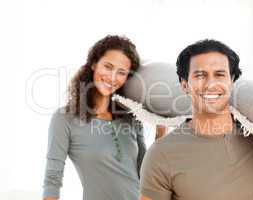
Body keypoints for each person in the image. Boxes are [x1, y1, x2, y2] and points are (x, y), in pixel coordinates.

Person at [139, 39, 253, 200]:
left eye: (219, 74)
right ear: (184, 84)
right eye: (200, 75)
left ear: (232, 81)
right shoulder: (162, 154)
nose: (211, 84)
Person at [42, 35, 166, 200]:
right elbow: (52, 178)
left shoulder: (131, 118)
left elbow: (145, 173)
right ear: (94, 64)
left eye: (121, 72)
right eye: (108, 66)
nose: (113, 77)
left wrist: (161, 129)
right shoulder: (65, 119)